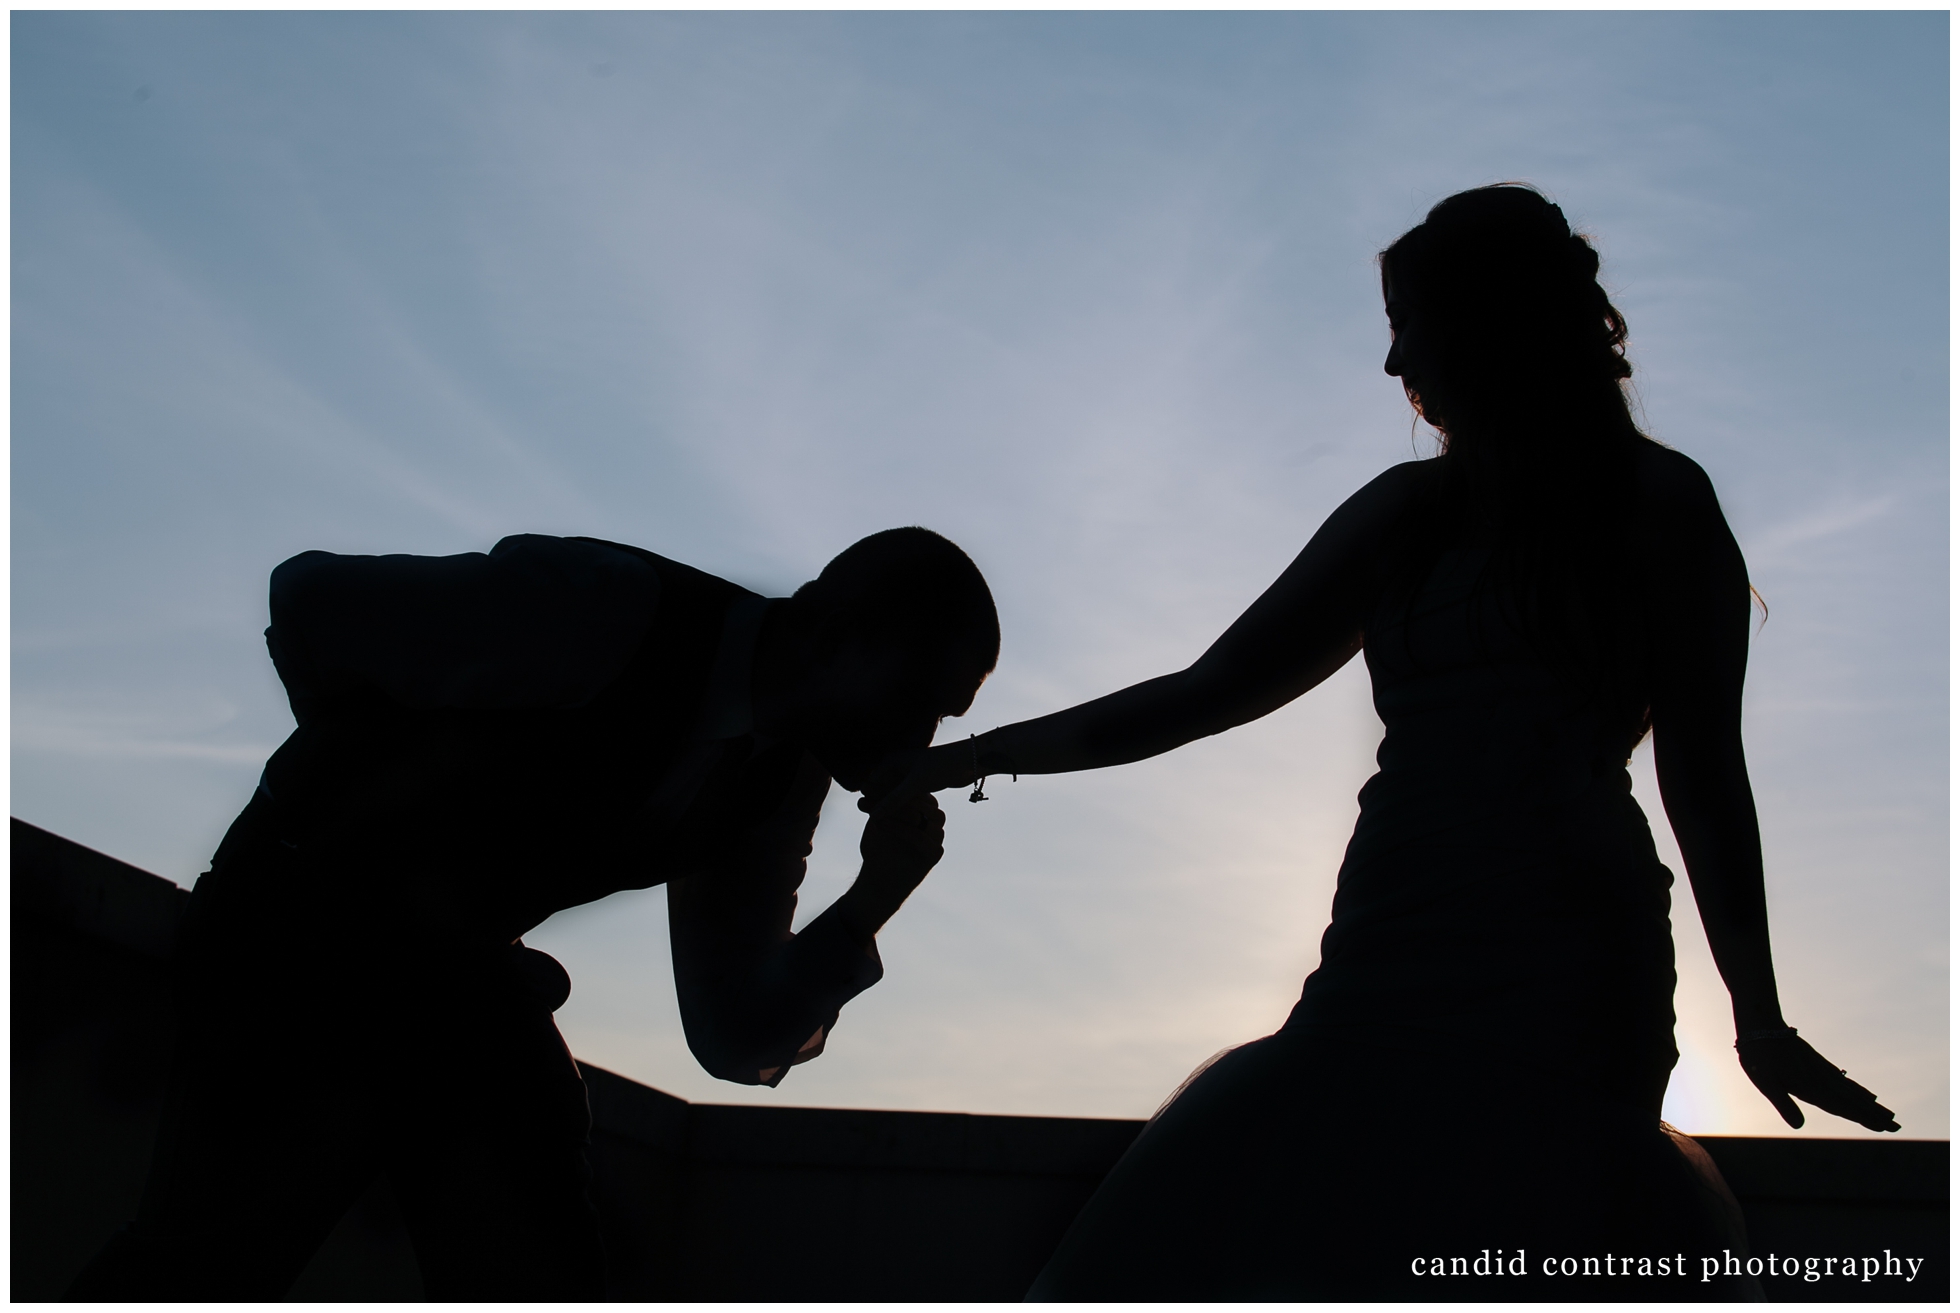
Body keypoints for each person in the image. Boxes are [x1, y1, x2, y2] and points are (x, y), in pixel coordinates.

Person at [871, 186, 1897, 1300]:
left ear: (1489, 321)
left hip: (1569, 952)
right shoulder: (1408, 512)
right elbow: (1206, 691)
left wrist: (1756, 1012)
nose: (1390, 358)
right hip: (1392, 934)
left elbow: (1704, 772)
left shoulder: (1659, 501)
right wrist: (966, 757)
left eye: (1406, 318)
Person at [67, 526, 998, 1301]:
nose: (919, 740)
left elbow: (733, 1033)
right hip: (299, 950)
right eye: (920, 699)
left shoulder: (773, 783)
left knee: (535, 1263)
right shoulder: (611, 608)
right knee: (207, 1266)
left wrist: (878, 895)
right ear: (843, 629)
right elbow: (313, 601)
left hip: (456, 984)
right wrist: (381, 804)